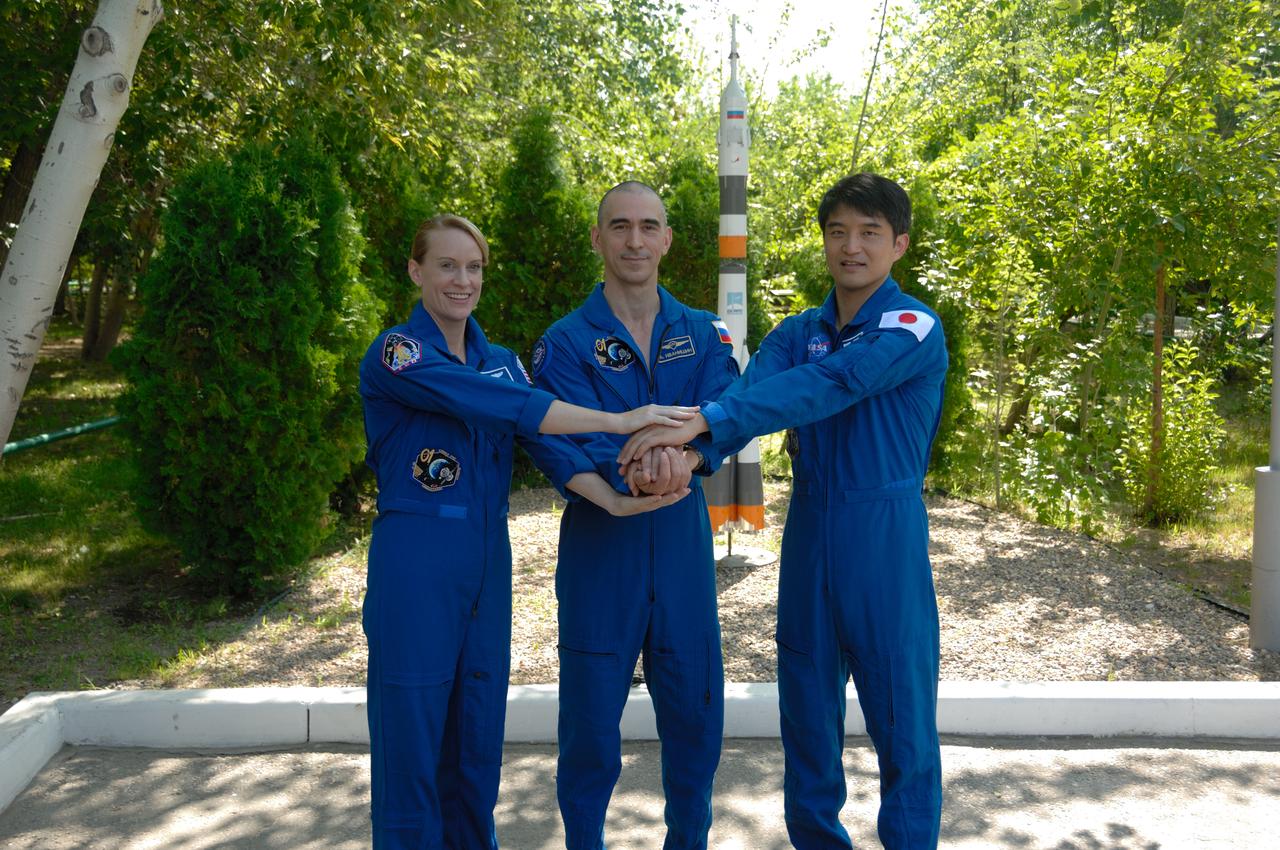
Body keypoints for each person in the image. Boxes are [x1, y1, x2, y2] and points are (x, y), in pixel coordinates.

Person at [618, 173, 948, 849]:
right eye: (837, 232)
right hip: (811, 537)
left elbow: (836, 383)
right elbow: (752, 396)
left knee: (904, 722)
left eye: (869, 234)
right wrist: (691, 456)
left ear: (899, 245)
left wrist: (703, 421)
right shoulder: (798, 333)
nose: (850, 247)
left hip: (884, 538)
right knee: (805, 714)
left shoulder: (912, 326)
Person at [358, 214, 696, 850]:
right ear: (415, 271)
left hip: (488, 560)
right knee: (412, 736)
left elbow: (541, 443)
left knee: (477, 737)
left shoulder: (503, 363)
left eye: (474, 267)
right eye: (447, 265)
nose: (463, 280)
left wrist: (610, 500)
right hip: (418, 559)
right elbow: (507, 409)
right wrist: (621, 421)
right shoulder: (398, 354)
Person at [530, 182, 740, 850]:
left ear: (667, 238)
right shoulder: (564, 342)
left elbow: (727, 407)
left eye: (649, 226)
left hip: (681, 545)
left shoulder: (706, 332)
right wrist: (639, 465)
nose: (634, 241)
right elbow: (558, 434)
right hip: (602, 549)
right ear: (598, 238)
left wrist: (690, 459)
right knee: (590, 729)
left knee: (696, 719)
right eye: (619, 226)